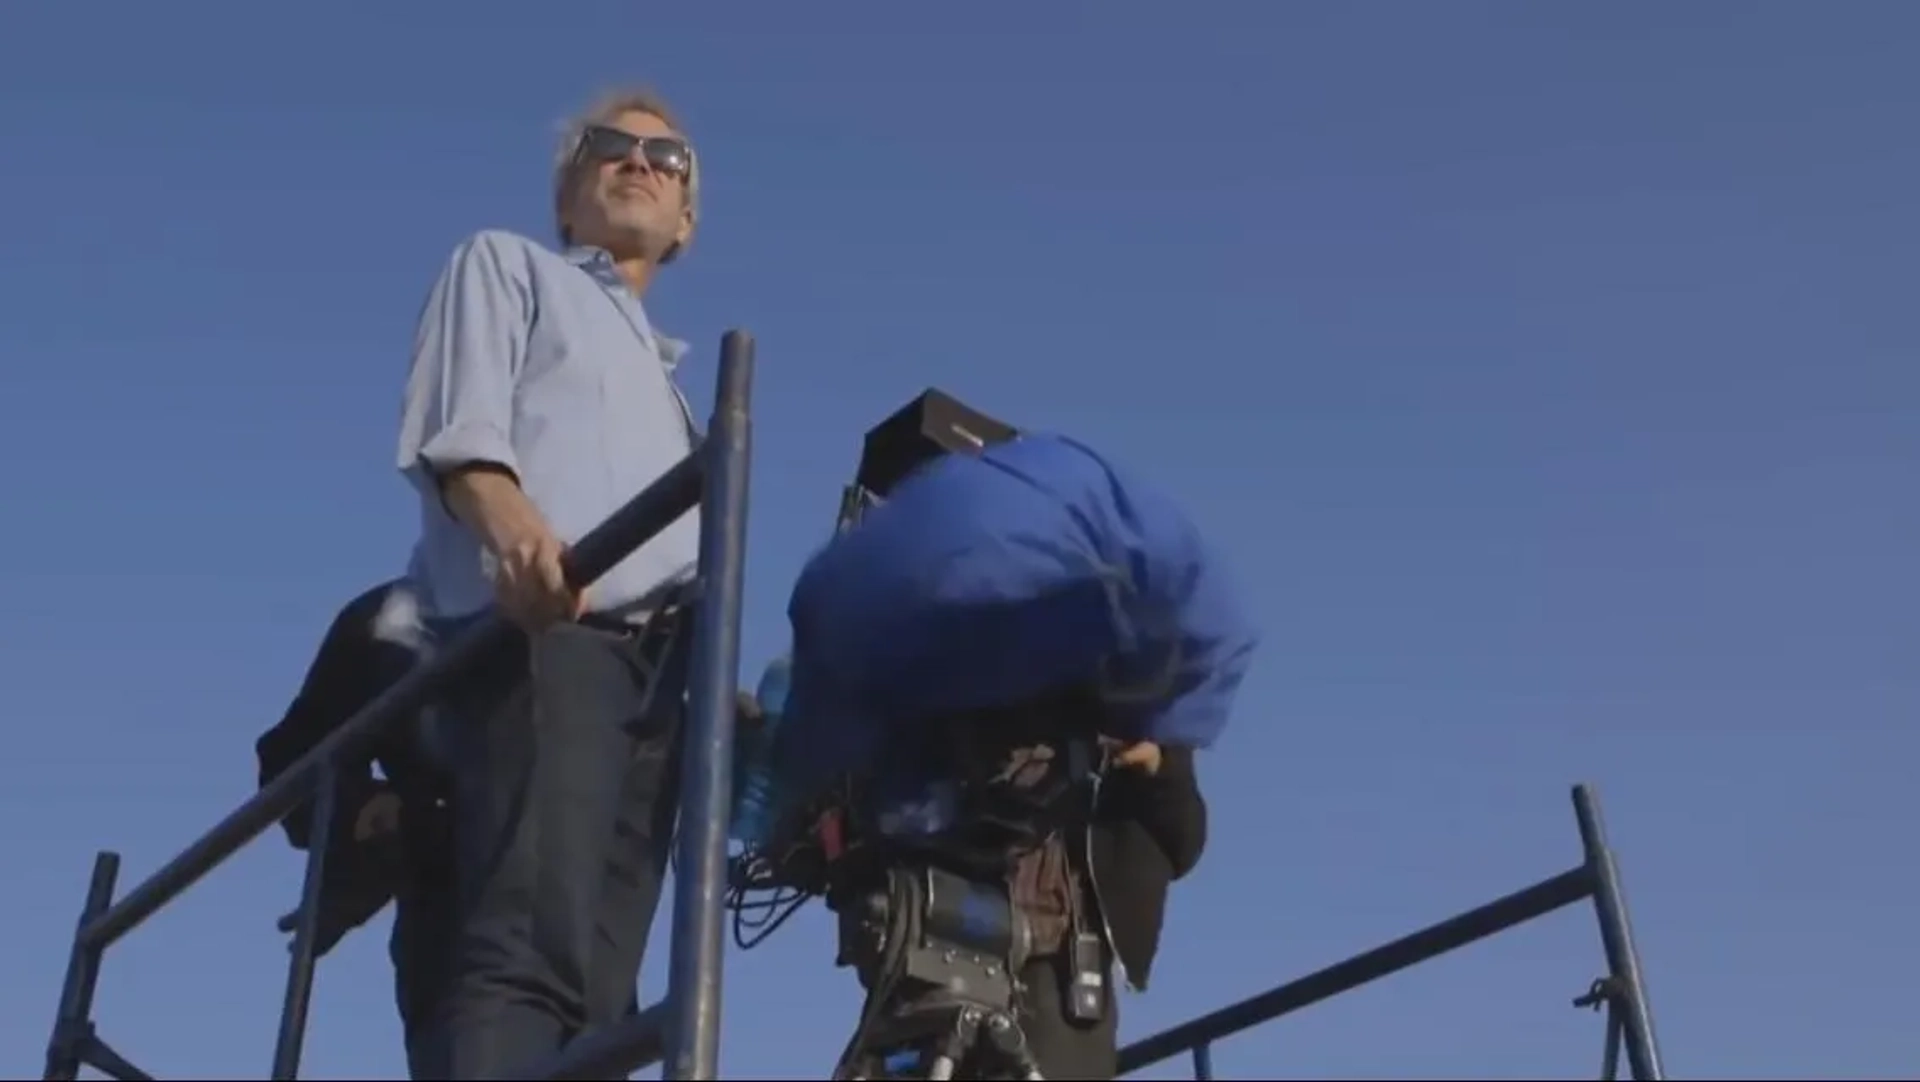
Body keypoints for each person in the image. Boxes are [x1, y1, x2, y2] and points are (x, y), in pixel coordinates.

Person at [394, 85, 705, 1079]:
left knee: (602, 994)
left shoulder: (674, 394)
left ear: (685, 221)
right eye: (611, 147)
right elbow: (463, 440)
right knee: (527, 951)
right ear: (568, 196)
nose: (641, 161)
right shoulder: (509, 265)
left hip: (660, 690)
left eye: (668, 156)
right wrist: (521, 538)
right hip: (549, 635)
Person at [253, 579, 453, 1079]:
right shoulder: (391, 617)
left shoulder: (618, 585)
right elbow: (294, 760)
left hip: (585, 923)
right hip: (455, 924)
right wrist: (362, 812)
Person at [1016, 737, 1207, 1079]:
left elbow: (1184, 841)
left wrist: (1161, 765)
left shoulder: (1134, 712)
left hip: (1060, 963)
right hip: (939, 936)